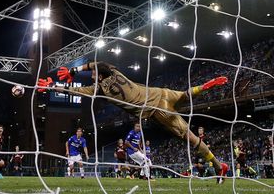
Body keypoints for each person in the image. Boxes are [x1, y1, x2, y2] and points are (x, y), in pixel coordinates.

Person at [38, 61, 229, 183]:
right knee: (185, 95)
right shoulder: (114, 71)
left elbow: (75, 91)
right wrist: (75, 70)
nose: (92, 74)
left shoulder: (99, 90)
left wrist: (53, 86)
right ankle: (205, 86)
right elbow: (99, 63)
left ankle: (219, 166)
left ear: (100, 76)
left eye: (94, 74)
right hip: (158, 92)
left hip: (156, 109)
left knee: (191, 138)